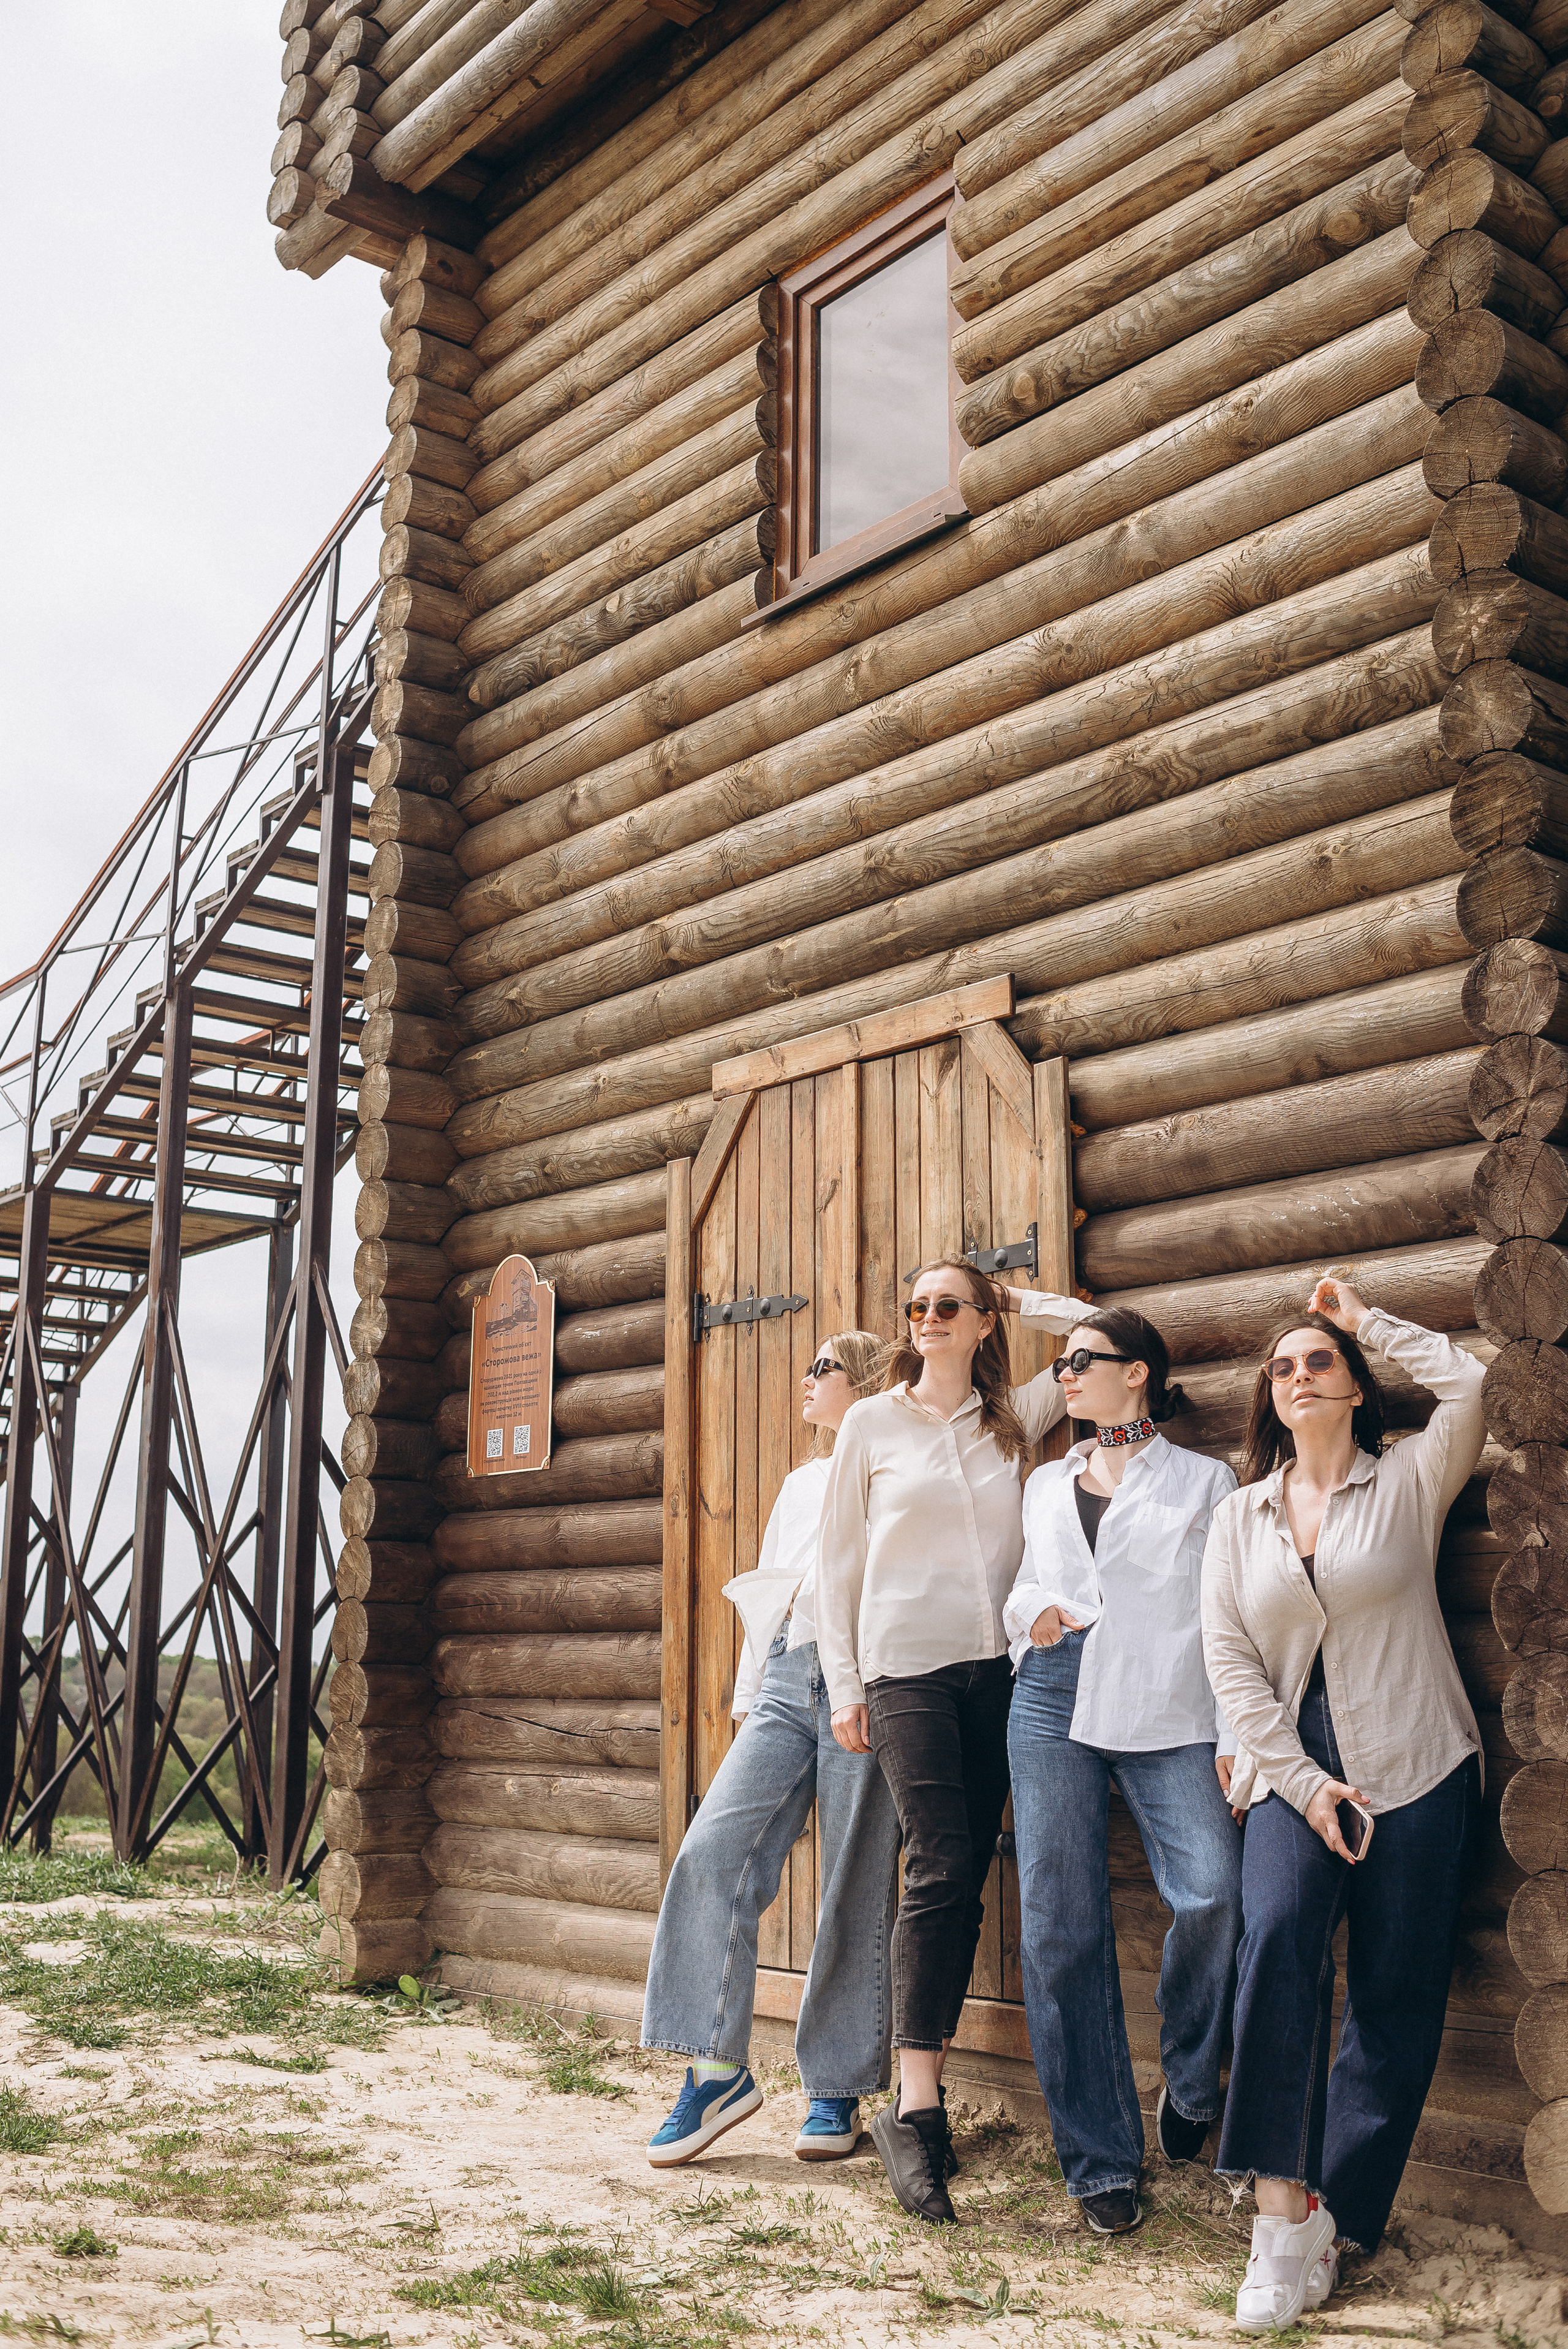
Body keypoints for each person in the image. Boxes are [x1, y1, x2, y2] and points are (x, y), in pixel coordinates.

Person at [1201, 1273, 1485, 2329]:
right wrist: (1307, 1785)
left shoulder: (1410, 1479)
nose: (1299, 1375)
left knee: (1396, 1992)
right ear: (1268, 1398)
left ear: (1356, 1387)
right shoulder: (1238, 1517)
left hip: (1416, 1752)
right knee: (1275, 1937)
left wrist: (1364, 1321)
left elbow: (1469, 1388)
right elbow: (1230, 1662)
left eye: (1318, 1360)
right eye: (1282, 1367)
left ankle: (1339, 2215)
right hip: (1288, 1762)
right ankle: (1278, 2216)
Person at [815, 1260, 1087, 2223]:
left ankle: (916, 2101)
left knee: (965, 1870)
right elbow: (837, 1560)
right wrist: (846, 1683)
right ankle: (917, 2102)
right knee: (936, 1863)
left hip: (999, 1672)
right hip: (905, 1672)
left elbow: (1102, 1335)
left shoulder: (1013, 1415)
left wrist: (1025, 1302)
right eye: (916, 1307)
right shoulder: (870, 1423)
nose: (925, 1319)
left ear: (980, 1323)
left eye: (947, 1307)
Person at [1001, 1304, 1242, 2238]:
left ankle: (1188, 2079)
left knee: (1213, 1892)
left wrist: (1233, 1733)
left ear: (1136, 1373)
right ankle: (1101, 2157)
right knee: (1060, 1924)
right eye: (1061, 1364)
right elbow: (1026, 1583)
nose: (1063, 1376)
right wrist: (1036, 1614)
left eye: (1082, 1362)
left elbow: (1227, 1612)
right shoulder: (1045, 1481)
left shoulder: (1205, 1480)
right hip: (1053, 1692)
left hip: (1165, 1699)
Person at [641, 1330, 899, 2167]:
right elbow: (772, 1594)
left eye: (821, 1366)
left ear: (862, 1380)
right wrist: (753, 1696)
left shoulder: (899, 1464)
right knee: (714, 1851)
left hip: (869, 1675)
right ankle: (716, 2069)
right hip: (790, 1678)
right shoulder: (799, 1482)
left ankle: (836, 2085)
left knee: (851, 1879)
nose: (805, 1378)